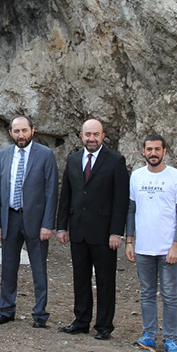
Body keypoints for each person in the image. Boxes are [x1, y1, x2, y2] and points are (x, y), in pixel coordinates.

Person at [56, 119, 129, 340]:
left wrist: (116, 232)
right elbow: (66, 195)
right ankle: (81, 321)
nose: (92, 138)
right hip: (78, 229)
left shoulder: (115, 161)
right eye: (88, 134)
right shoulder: (73, 159)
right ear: (81, 136)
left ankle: (104, 325)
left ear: (103, 136)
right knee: (80, 278)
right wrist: (61, 227)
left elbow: (121, 200)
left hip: (104, 232)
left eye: (96, 134)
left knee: (105, 280)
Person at [0, 115, 58, 328]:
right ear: (11, 133)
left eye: (24, 130)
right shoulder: (3, 155)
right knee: (8, 267)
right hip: (10, 218)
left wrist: (48, 224)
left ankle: (40, 313)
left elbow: (51, 191)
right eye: (17, 131)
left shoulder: (45, 155)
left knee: (39, 268)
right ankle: (6, 309)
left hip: (36, 221)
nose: (21, 135)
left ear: (32, 131)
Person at [126, 133, 177, 352]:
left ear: (164, 151)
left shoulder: (176, 177)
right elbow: (131, 209)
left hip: (168, 248)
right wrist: (129, 241)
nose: (153, 153)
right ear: (143, 151)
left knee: (170, 294)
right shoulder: (136, 176)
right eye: (149, 149)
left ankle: (170, 338)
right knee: (147, 293)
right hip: (143, 247)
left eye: (157, 149)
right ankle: (149, 335)